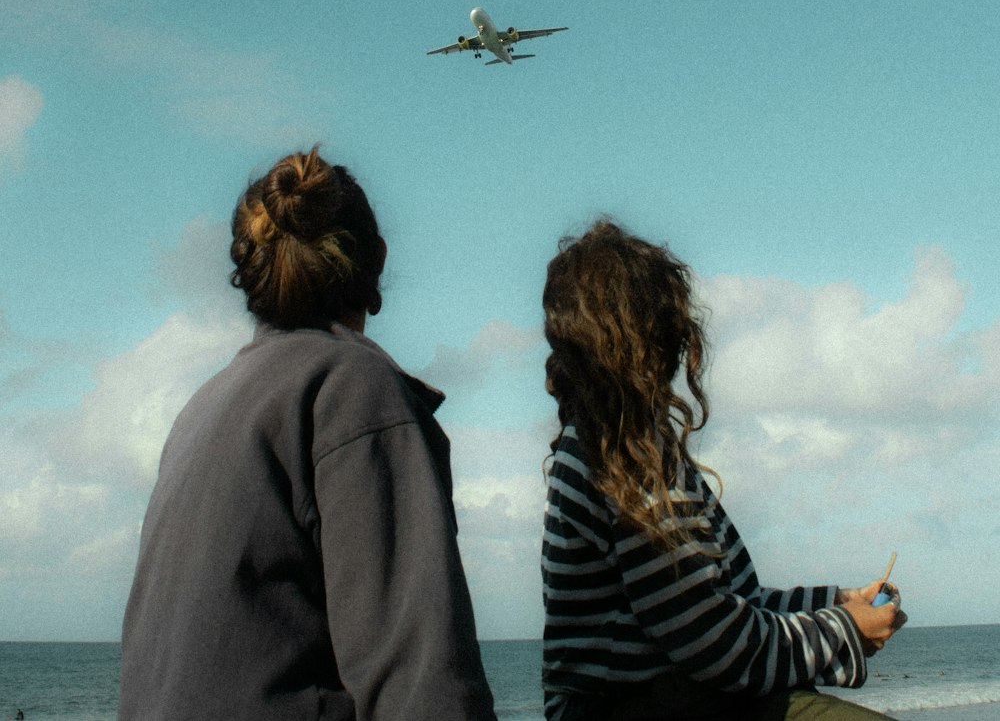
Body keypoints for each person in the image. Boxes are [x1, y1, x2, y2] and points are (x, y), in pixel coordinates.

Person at [119, 148, 497, 721]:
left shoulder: (202, 408)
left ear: (252, 270)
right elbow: (421, 684)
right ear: (377, 264)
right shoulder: (355, 392)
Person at [540, 220, 905, 721]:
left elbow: (727, 604)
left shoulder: (621, 446)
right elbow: (714, 643)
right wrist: (844, 630)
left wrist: (838, 601)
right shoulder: (618, 458)